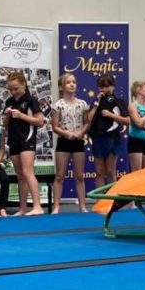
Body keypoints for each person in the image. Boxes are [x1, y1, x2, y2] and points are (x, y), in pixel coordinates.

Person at [3, 71, 45, 216]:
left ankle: (37, 206)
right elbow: (5, 124)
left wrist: (21, 115)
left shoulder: (32, 100)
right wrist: (7, 115)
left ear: (24, 85)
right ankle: (22, 208)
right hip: (14, 139)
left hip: (27, 138)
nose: (13, 92)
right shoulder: (9, 101)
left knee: (28, 172)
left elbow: (40, 122)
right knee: (20, 175)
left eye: (15, 88)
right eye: (10, 89)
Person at [50, 73, 90, 214]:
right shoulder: (57, 105)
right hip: (64, 142)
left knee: (79, 175)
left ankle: (82, 206)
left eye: (74, 82)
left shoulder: (82, 104)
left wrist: (81, 133)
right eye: (68, 82)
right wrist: (67, 134)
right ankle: (56, 207)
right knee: (60, 175)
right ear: (62, 86)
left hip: (78, 141)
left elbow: (86, 122)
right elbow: (55, 126)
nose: (72, 84)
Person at [88, 74, 131, 189]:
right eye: (101, 87)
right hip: (98, 139)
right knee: (99, 172)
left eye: (107, 86)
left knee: (111, 171)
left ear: (113, 87)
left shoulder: (119, 101)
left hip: (113, 139)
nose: (104, 89)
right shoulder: (96, 102)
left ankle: (112, 200)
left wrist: (111, 115)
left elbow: (127, 121)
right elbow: (89, 119)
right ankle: (100, 200)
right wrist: (96, 104)